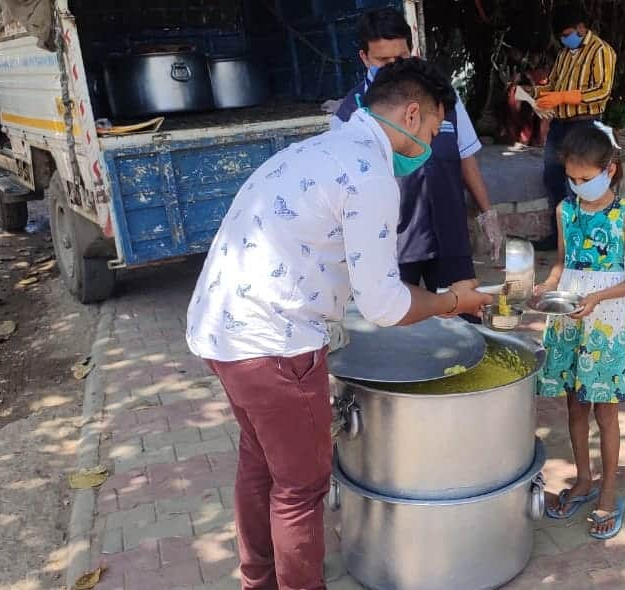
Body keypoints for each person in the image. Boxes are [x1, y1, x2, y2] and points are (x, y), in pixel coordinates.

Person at [185, 58, 493, 590]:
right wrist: (452, 303)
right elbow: (386, 306)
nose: (433, 145)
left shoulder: (316, 148)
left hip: (220, 329)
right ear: (413, 113)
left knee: (260, 461)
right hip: (275, 346)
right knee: (301, 489)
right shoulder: (370, 175)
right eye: (435, 130)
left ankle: (256, 578)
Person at [330, 7, 503, 295]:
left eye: (400, 58)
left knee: (464, 317)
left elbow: (465, 159)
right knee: (402, 332)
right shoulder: (350, 114)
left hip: (450, 237)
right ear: (364, 58)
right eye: (382, 60)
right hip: (392, 245)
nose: (393, 66)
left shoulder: (442, 98)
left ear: (413, 51)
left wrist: (488, 215)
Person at [534, 123, 625, 540]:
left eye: (586, 178)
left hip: (610, 324)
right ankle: (583, 480)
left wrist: (599, 298)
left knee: (606, 411)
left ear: (611, 170)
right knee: (575, 405)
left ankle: (610, 489)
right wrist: (547, 287)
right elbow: (562, 263)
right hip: (570, 321)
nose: (578, 186)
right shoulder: (566, 212)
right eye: (572, 179)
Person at [530, 3, 617, 251]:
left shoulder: (601, 51)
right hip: (560, 125)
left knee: (582, 182)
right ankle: (560, 234)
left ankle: (587, 237)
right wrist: (532, 92)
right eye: (561, 37)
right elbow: (553, 85)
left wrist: (565, 97)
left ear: (581, 27)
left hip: (585, 125)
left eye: (567, 34)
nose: (565, 40)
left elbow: (602, 91)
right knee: (553, 177)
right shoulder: (565, 55)